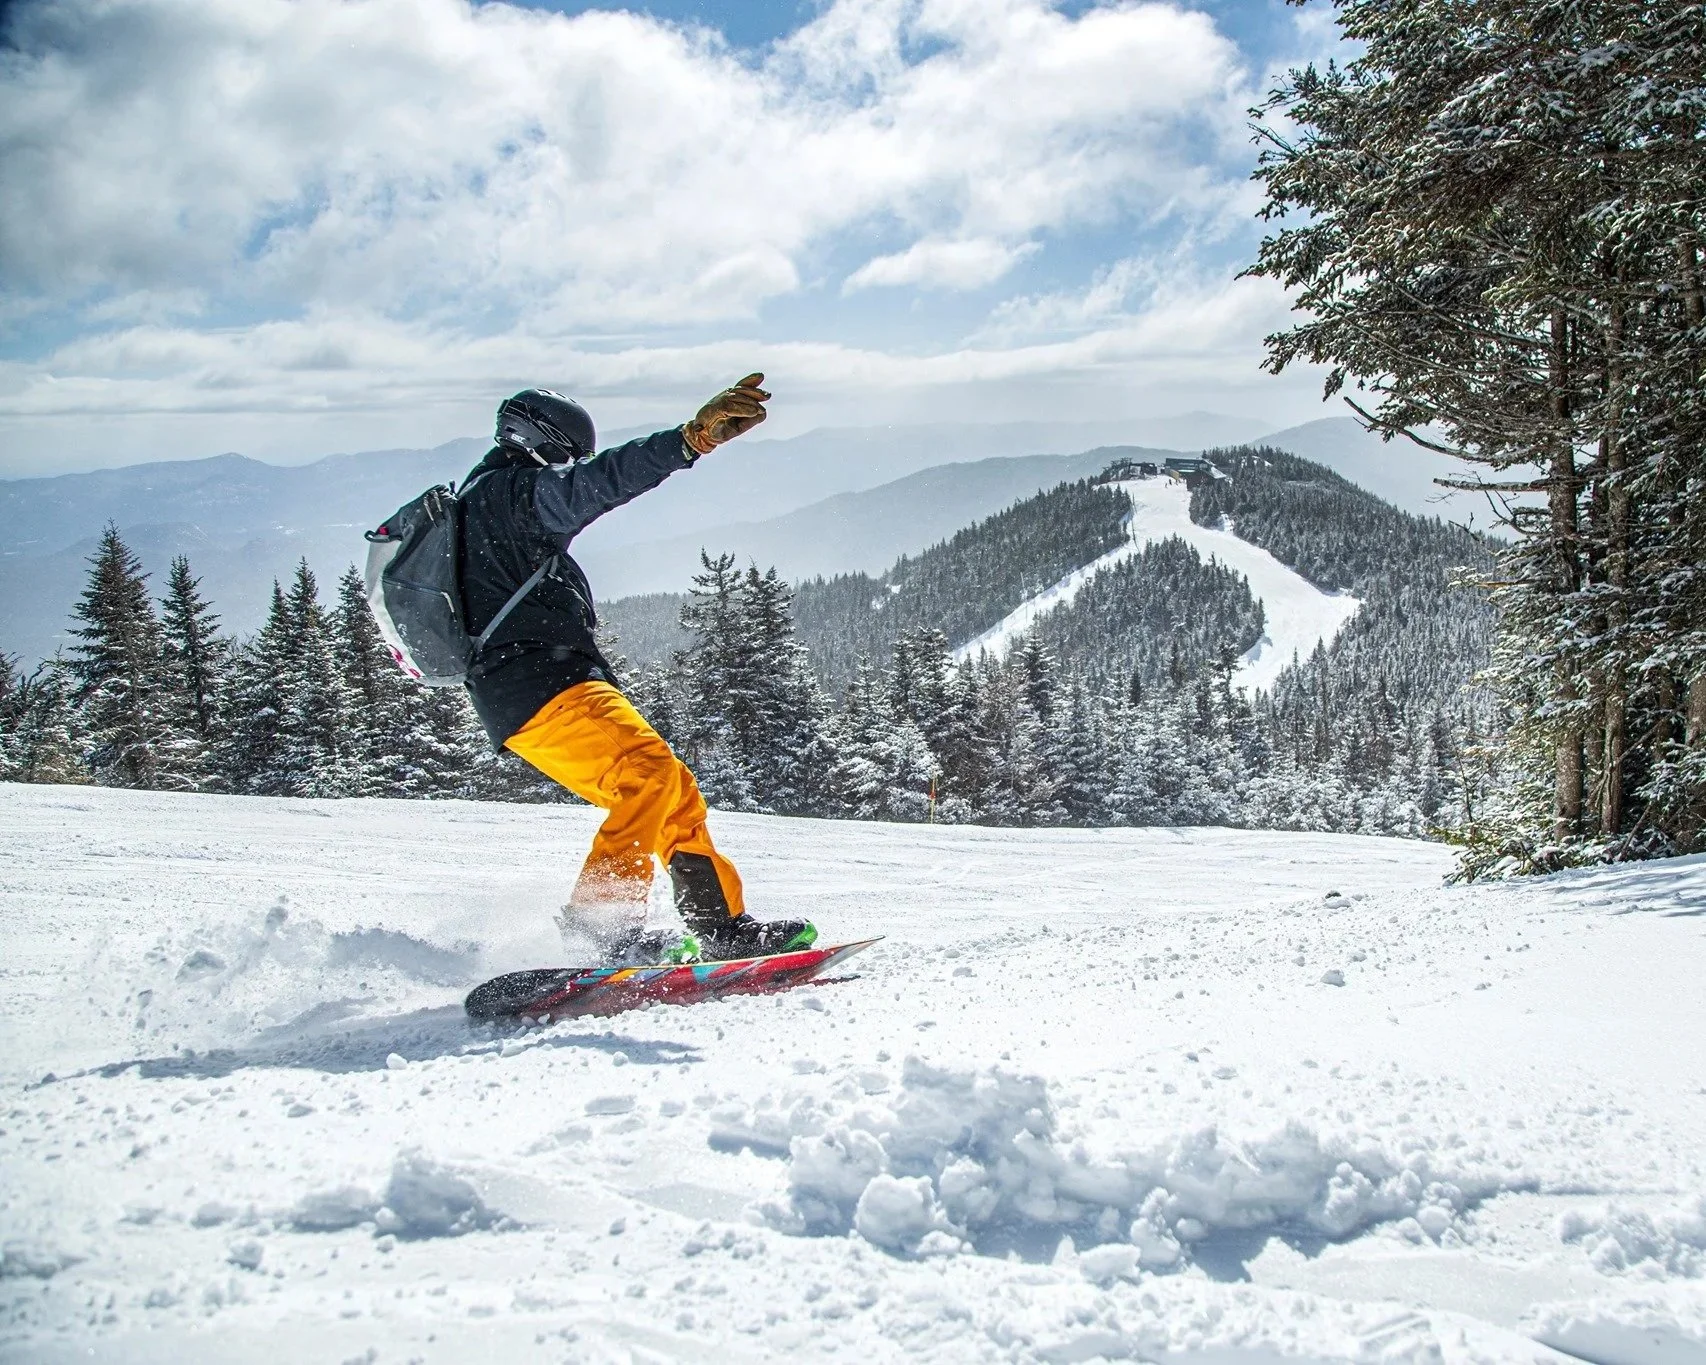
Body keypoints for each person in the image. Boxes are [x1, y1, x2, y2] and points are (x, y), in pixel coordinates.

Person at [456, 374, 814, 963]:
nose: (572, 469)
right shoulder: (511, 497)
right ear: (542, 443)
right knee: (649, 773)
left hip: (540, 687)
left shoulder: (486, 506)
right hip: (541, 684)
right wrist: (689, 442)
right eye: (570, 457)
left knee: (669, 786)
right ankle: (602, 927)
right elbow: (603, 483)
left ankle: (721, 927)